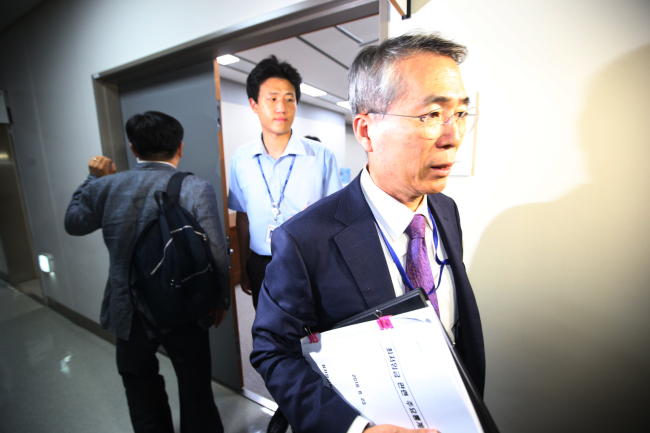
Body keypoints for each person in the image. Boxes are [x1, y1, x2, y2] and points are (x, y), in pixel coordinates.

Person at [251, 32, 484, 433]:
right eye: (431, 115)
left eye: (460, 113)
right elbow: (275, 352)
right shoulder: (305, 240)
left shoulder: (446, 210)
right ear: (365, 130)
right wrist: (357, 429)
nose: (453, 137)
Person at [64, 111, 230, 433]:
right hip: (186, 306)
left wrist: (92, 177)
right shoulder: (195, 187)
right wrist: (220, 300)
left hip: (127, 309)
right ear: (180, 147)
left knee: (141, 390)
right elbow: (216, 251)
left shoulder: (107, 186)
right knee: (196, 389)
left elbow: (73, 222)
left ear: (133, 149)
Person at [227, 55, 342, 433]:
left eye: (290, 98)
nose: (282, 107)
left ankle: (316, 408)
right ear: (254, 105)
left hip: (311, 264)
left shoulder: (320, 157)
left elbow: (332, 219)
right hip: (262, 264)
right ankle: (287, 408)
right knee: (273, 340)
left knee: (315, 339)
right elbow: (241, 215)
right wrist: (242, 265)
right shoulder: (242, 159)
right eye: (272, 97)